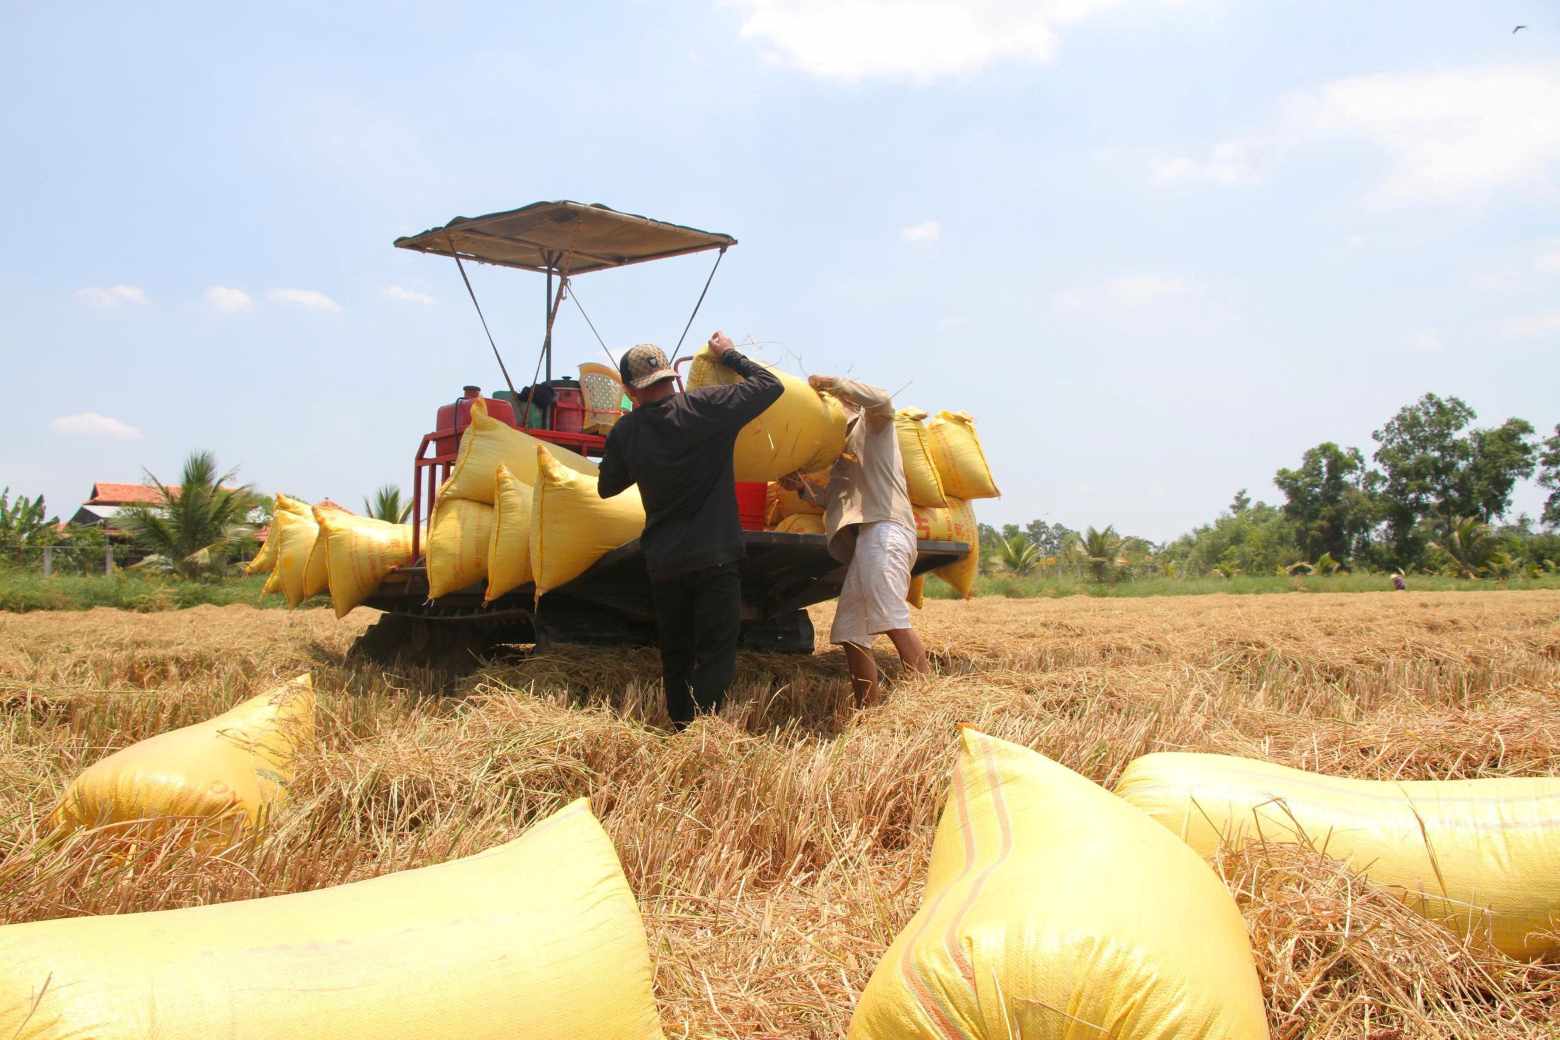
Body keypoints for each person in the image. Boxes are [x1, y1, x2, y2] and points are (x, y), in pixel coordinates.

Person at [598, 332, 782, 729]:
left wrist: (630, 451)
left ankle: (683, 729)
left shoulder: (626, 432)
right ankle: (703, 735)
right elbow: (771, 385)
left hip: (665, 563)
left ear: (630, 390)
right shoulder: (707, 407)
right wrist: (728, 354)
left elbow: (606, 486)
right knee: (716, 652)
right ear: (671, 376)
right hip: (716, 555)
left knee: (676, 654)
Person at [785, 374, 928, 706]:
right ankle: (868, 708)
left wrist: (833, 383)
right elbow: (836, 502)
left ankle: (926, 704)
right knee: (851, 632)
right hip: (866, 541)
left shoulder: (873, 425)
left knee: (891, 616)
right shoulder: (839, 455)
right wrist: (803, 489)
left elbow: (881, 399)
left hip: (885, 530)